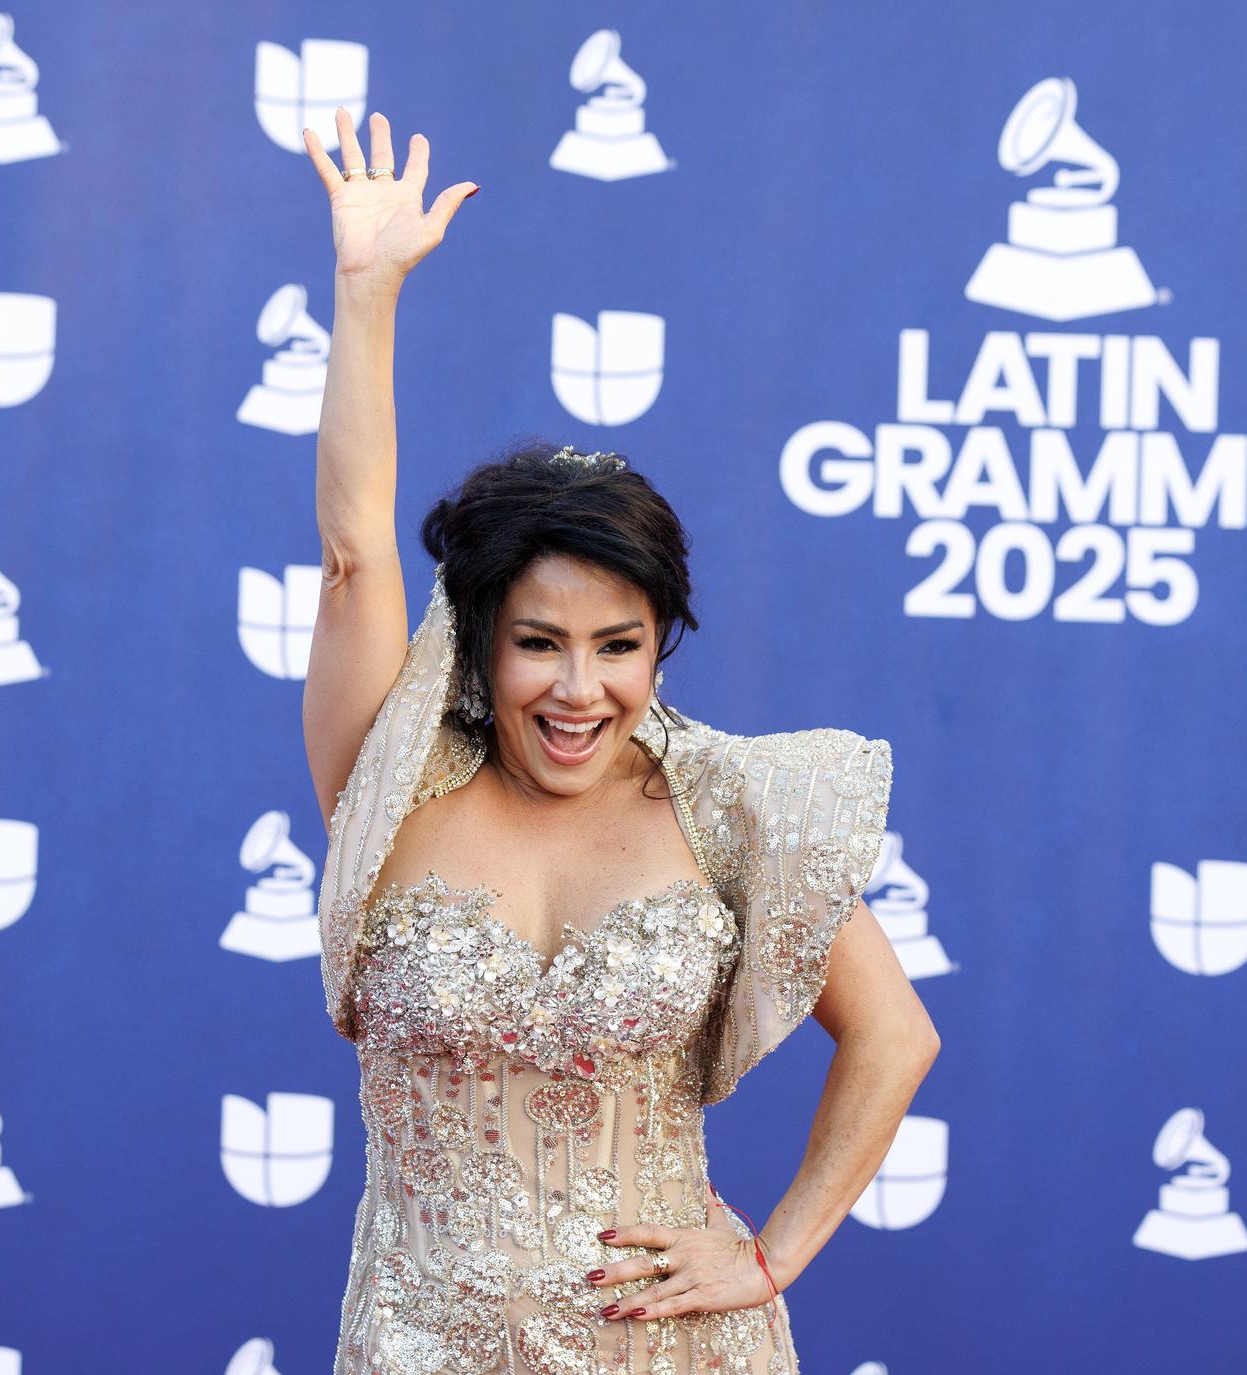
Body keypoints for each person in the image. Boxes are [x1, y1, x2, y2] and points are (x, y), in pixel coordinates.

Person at [299, 108, 940, 1375]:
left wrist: (767, 1256)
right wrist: (364, 297)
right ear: (477, 641)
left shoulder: (727, 805)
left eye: (618, 644)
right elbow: (354, 549)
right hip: (424, 1345)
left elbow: (895, 1035)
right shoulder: (393, 774)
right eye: (539, 641)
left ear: (661, 643)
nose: (577, 688)